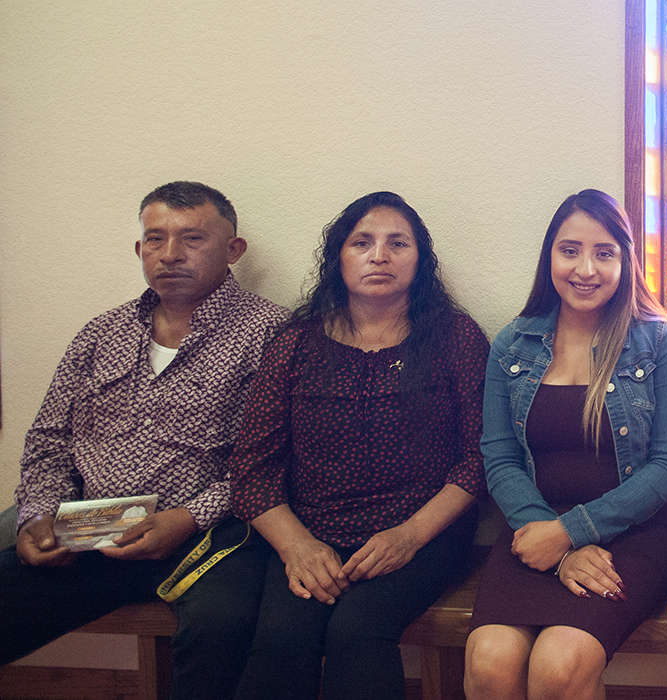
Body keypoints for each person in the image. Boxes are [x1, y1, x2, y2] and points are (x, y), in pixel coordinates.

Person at [0, 181, 286, 699]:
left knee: (222, 627)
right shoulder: (100, 334)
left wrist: (185, 519)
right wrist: (38, 514)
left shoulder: (271, 333)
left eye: (192, 238)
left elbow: (270, 458)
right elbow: (48, 440)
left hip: (211, 530)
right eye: (155, 239)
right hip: (92, 527)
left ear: (233, 249)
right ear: (140, 248)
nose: (170, 254)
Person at [227, 192, 489, 700]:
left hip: (424, 534)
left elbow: (480, 457)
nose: (379, 256)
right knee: (281, 640)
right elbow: (252, 468)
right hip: (310, 533)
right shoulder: (295, 341)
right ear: (338, 257)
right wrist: (297, 547)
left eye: (398, 244)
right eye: (362, 243)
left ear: (421, 259)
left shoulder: (455, 337)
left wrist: (409, 536)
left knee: (358, 633)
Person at [463, 190, 667, 700]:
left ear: (625, 261)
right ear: (549, 256)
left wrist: (571, 533)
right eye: (570, 251)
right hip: (532, 527)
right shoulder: (512, 344)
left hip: (633, 534)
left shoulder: (659, 343)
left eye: (604, 253)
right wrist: (552, 540)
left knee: (560, 665)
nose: (585, 269)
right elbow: (499, 457)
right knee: (489, 663)